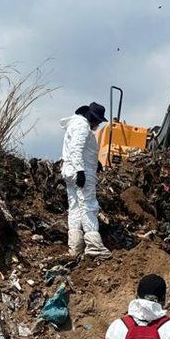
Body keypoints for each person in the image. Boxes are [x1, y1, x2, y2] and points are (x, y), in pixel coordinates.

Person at [59, 101, 109, 257]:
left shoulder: (74, 125)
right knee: (88, 205)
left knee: (74, 207)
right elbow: (76, 148)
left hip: (70, 171)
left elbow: (81, 150)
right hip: (81, 171)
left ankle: (75, 247)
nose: (98, 124)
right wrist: (81, 171)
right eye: (99, 121)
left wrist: (96, 162)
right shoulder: (82, 127)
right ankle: (95, 247)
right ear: (92, 117)